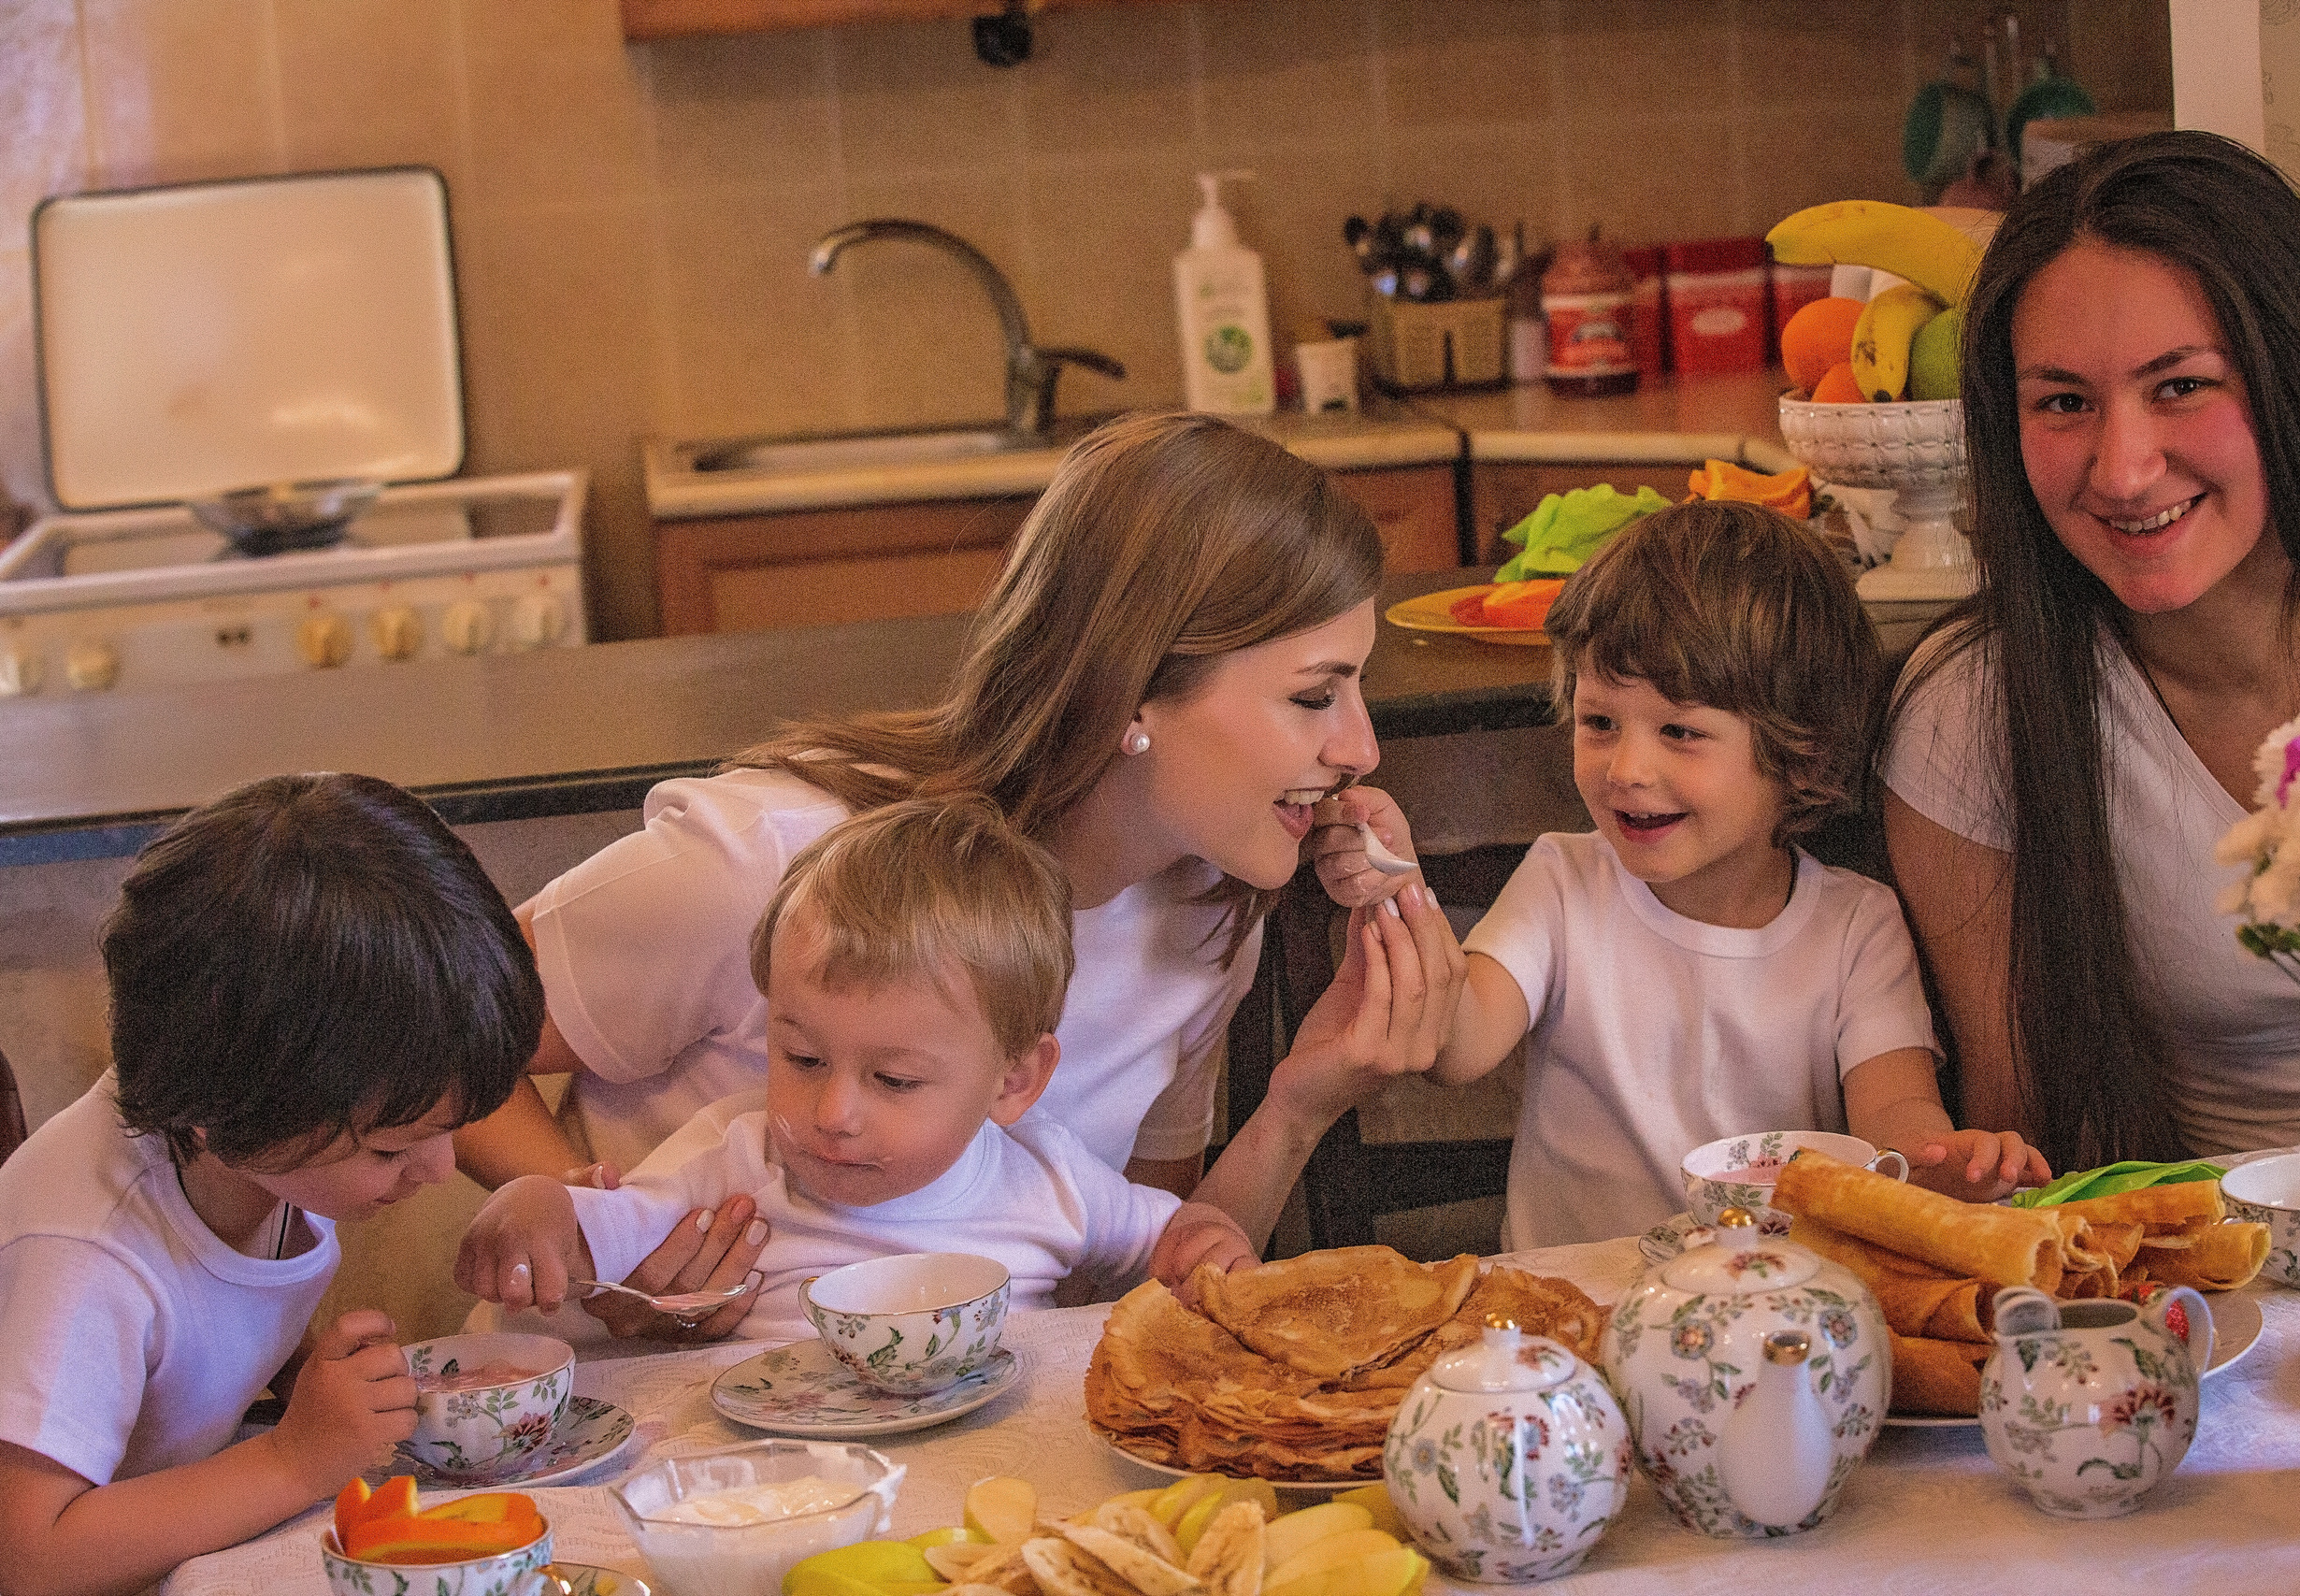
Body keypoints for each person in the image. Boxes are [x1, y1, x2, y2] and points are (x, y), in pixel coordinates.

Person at [451, 411, 1463, 1338]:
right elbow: (441, 1038)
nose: (1362, 749)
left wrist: (1299, 1104)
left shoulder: (1199, 909)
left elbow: (1128, 1290)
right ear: (1135, 692)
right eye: (1313, 696)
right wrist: (604, 1256)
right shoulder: (779, 861)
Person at [1882, 131, 2300, 1166]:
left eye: (2180, 385)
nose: (2121, 470)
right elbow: (2025, 1147)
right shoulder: (1970, 713)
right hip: (2233, 1293)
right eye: (2063, 402)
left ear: (2295, 374)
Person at [1430, 501, 2048, 1243]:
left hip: (1777, 1314)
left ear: (1798, 753)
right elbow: (1458, 1047)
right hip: (1572, 1320)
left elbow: (1894, 1117)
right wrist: (1396, 903)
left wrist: (1942, 1163)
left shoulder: (1857, 926)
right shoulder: (1562, 881)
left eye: (1680, 732)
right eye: (1600, 722)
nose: (1625, 769)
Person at [458, 797, 1299, 1334]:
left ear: (1015, 1080)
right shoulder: (740, 1160)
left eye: (893, 1079)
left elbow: (1169, 1234)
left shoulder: (1053, 1179)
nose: (832, 1111)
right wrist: (534, 1209)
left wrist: (1207, 1247)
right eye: (801, 1055)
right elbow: (605, 1225)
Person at [0, 773, 542, 1596]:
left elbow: (210, 1310)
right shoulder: (85, 1254)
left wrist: (301, 1373)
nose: (437, 1171)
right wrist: (294, 1458)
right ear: (232, 1112)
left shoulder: (244, 1146)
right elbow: (26, 1555)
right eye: (395, 1150)